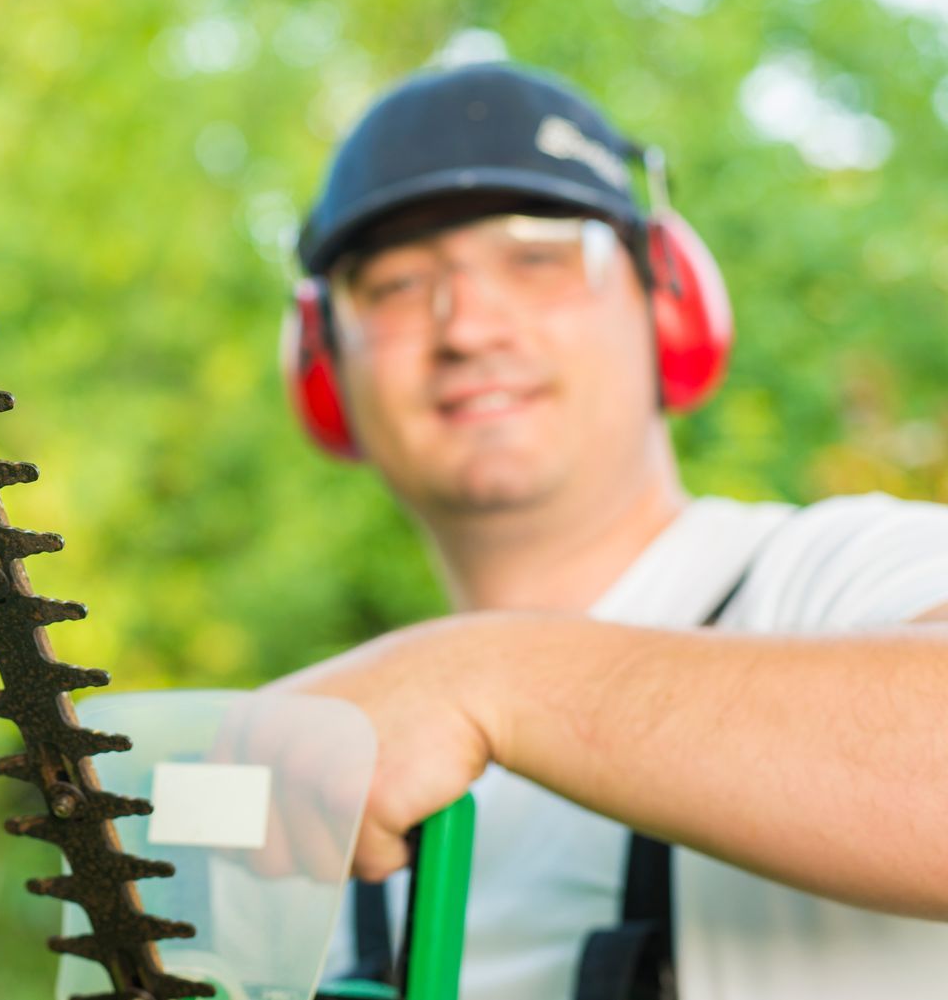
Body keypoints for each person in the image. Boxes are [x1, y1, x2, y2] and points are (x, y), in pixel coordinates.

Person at [267, 63, 948, 999]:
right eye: (391, 284)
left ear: (669, 307)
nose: (466, 324)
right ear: (323, 369)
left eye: (539, 257)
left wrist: (487, 675)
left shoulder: (830, 581)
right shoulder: (338, 784)